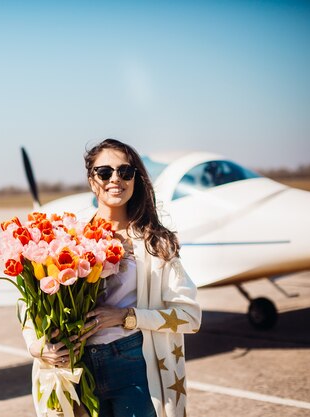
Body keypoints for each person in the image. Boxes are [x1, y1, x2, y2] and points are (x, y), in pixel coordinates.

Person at [22, 139, 202, 417]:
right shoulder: (66, 237)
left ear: (135, 179)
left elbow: (190, 317)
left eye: (125, 172)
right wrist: (38, 348)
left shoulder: (156, 243)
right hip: (77, 368)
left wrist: (126, 317)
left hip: (134, 365)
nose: (115, 178)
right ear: (92, 180)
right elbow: (29, 305)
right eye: (104, 172)